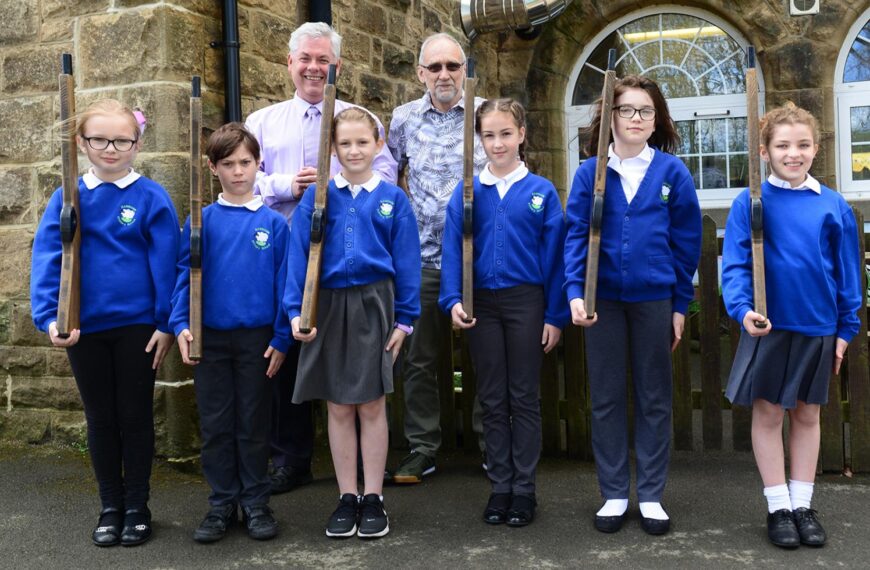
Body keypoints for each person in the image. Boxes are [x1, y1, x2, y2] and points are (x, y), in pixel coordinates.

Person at [245, 21, 398, 495]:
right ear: (289, 63)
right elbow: (244, 179)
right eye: (305, 58)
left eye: (323, 59)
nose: (315, 67)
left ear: (338, 65)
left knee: (352, 358)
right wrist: (286, 186)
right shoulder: (263, 122)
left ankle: (364, 464)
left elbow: (388, 173)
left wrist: (339, 180)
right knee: (285, 348)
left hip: (343, 260)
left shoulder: (359, 118)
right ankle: (290, 458)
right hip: (276, 253)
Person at [30, 99, 178, 547]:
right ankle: (110, 505)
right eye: (99, 139)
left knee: (134, 416)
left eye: (121, 140)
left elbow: (168, 263)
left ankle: (137, 505)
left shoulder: (151, 197)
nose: (110, 148)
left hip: (138, 328)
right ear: (82, 143)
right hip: (83, 327)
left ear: (137, 143)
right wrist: (50, 317)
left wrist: (166, 323)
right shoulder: (67, 196)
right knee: (100, 418)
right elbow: (48, 257)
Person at [563, 75, 702, 535]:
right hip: (603, 302)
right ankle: (615, 493)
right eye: (627, 110)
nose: (637, 118)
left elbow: (686, 246)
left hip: (653, 300)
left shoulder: (672, 174)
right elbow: (575, 238)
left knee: (654, 398)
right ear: (610, 117)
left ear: (656, 118)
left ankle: (652, 496)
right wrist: (575, 292)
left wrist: (679, 305)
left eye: (646, 111)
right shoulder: (590, 174)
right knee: (604, 397)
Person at [721, 102, 861, 548]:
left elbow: (846, 272)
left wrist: (845, 328)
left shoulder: (832, 204)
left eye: (802, 145)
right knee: (767, 413)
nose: (793, 153)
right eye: (782, 145)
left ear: (815, 149)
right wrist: (743, 309)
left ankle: (803, 503)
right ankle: (777, 506)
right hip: (769, 325)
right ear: (765, 151)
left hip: (818, 325)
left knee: (807, 413)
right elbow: (736, 265)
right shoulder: (752, 201)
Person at [285, 108, 421, 539]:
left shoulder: (392, 198)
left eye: (363, 142)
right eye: (345, 143)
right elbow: (297, 254)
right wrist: (295, 310)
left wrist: (405, 320)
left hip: (374, 303)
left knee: (372, 402)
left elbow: (407, 263)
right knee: (339, 404)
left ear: (378, 144)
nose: (354, 150)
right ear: (333, 149)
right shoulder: (318, 197)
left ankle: (374, 497)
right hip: (324, 305)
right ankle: (347, 495)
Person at [439, 98, 568, 527]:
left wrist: (554, 316)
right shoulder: (468, 191)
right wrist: (454, 299)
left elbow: (554, 260)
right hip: (482, 306)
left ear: (522, 135)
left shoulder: (541, 192)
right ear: (479, 139)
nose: (497, 143)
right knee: (491, 397)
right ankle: (500, 486)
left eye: (505, 134)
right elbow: (454, 250)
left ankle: (525, 490)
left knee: (524, 397)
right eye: (489, 135)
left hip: (525, 302)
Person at [171, 123, 288, 543]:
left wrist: (281, 338)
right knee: (217, 423)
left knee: (254, 423)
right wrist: (181, 325)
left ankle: (256, 501)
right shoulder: (201, 220)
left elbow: (286, 286)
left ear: (259, 164)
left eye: (245, 162)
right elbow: (184, 275)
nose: (238, 172)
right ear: (213, 168)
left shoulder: (274, 225)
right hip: (210, 340)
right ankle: (222, 502)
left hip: (257, 340)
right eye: (228, 164)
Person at [388, 32, 488, 483]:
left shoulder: (488, 114)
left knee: (486, 356)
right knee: (419, 359)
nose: (445, 74)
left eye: (453, 65)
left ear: (464, 68)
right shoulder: (403, 119)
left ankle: (493, 445)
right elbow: (388, 177)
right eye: (436, 67)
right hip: (423, 260)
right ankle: (423, 448)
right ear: (420, 73)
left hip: (479, 261)